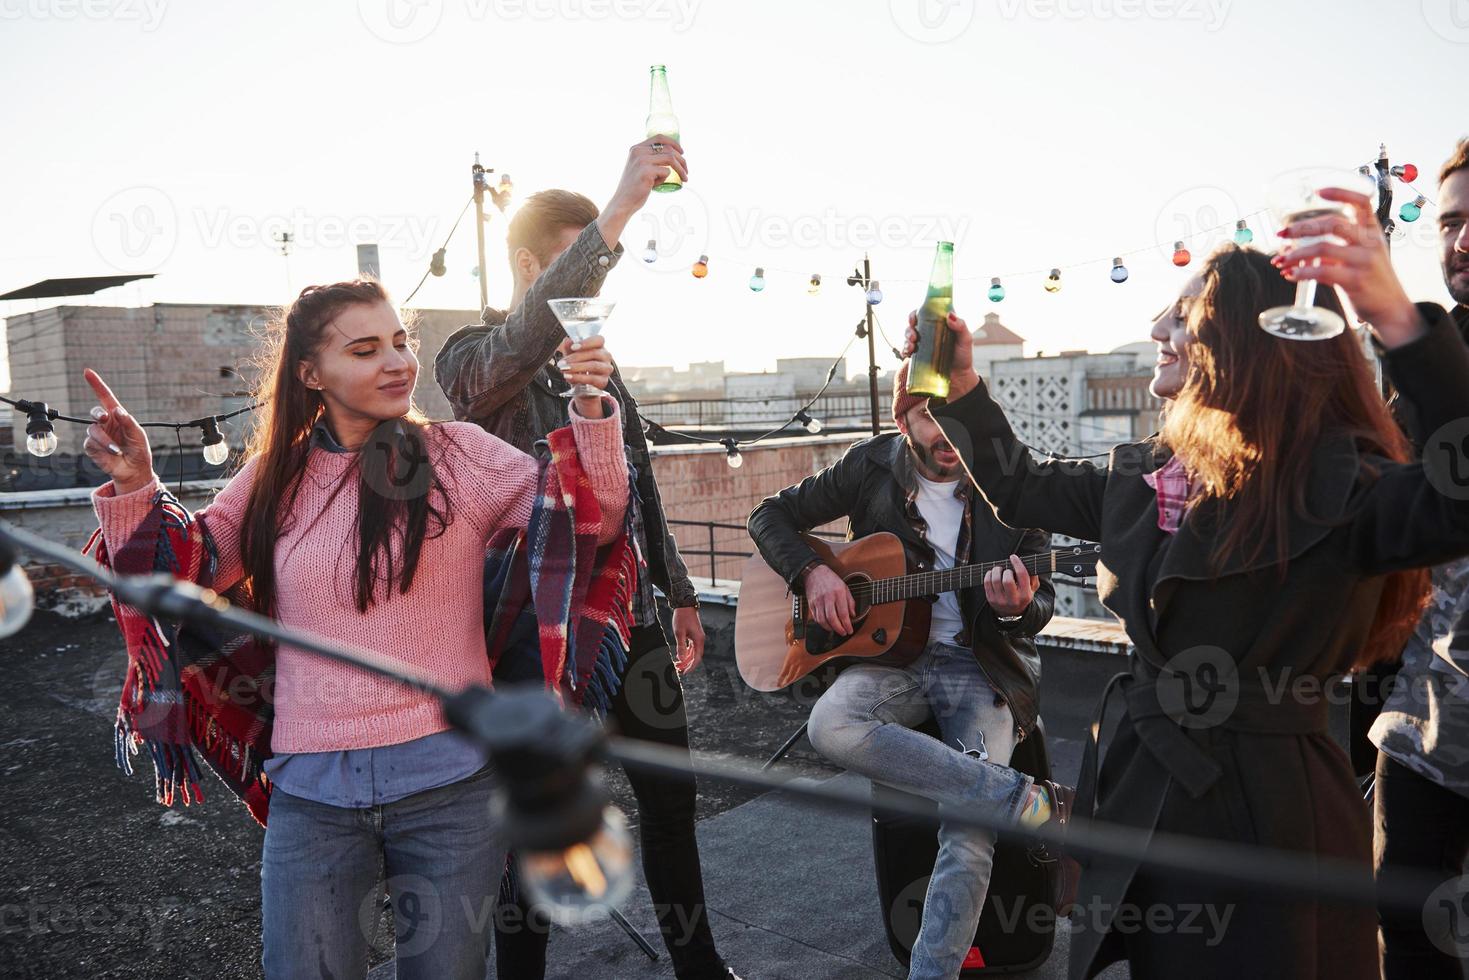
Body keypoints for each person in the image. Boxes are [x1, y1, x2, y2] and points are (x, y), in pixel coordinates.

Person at [904, 185, 1469, 979]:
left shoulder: (1340, 482)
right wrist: (962, 391)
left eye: (1181, 313)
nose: (1156, 330)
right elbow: (1023, 484)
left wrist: (1396, 318)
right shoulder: (1146, 475)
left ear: (1245, 337)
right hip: (1141, 788)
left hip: (1271, 815)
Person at [82, 279, 632, 980]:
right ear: (310, 374)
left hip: (453, 787)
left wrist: (588, 406)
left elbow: (588, 520)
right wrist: (137, 484)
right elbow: (189, 570)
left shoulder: (461, 456)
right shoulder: (273, 478)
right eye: (366, 349)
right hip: (312, 794)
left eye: (401, 341)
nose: (397, 362)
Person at [434, 138, 742, 980]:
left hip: (633, 625)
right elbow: (514, 347)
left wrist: (677, 593)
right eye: (580, 265)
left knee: (671, 808)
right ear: (536, 264)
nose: (596, 286)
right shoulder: (470, 357)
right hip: (538, 639)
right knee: (537, 818)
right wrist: (616, 213)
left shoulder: (605, 370)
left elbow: (638, 493)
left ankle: (699, 967)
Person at [746, 362, 1066, 980]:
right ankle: (1016, 796)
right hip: (894, 657)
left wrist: (1019, 607)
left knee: (969, 832)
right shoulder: (871, 464)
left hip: (982, 666)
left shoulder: (1010, 477)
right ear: (903, 422)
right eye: (928, 415)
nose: (946, 429)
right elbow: (769, 516)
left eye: (954, 412)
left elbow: (1043, 597)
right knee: (829, 723)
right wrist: (812, 573)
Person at [1370, 138, 1469, 979]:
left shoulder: (1429, 349)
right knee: (1405, 934)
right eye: (1451, 222)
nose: (1461, 241)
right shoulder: (1435, 350)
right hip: (1426, 716)